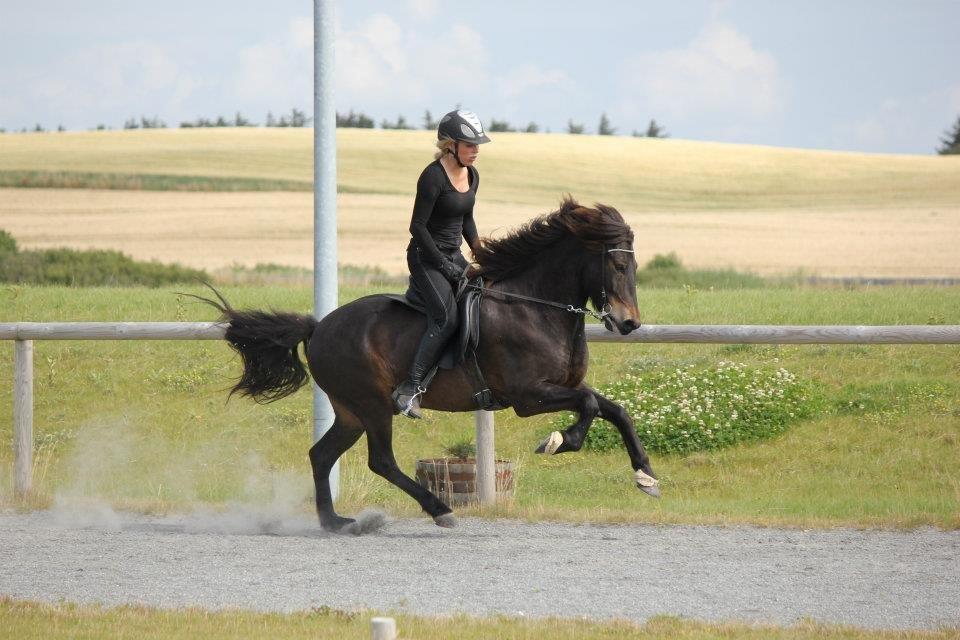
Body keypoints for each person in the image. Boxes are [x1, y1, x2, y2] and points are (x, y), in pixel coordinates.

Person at [392, 109, 491, 418]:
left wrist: (480, 252)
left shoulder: (472, 175)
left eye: (477, 146)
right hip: (425, 257)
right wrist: (444, 266)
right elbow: (417, 228)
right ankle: (410, 389)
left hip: (452, 254)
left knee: (482, 300)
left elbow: (467, 219)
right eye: (470, 145)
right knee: (446, 319)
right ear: (451, 145)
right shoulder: (433, 176)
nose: (475, 151)